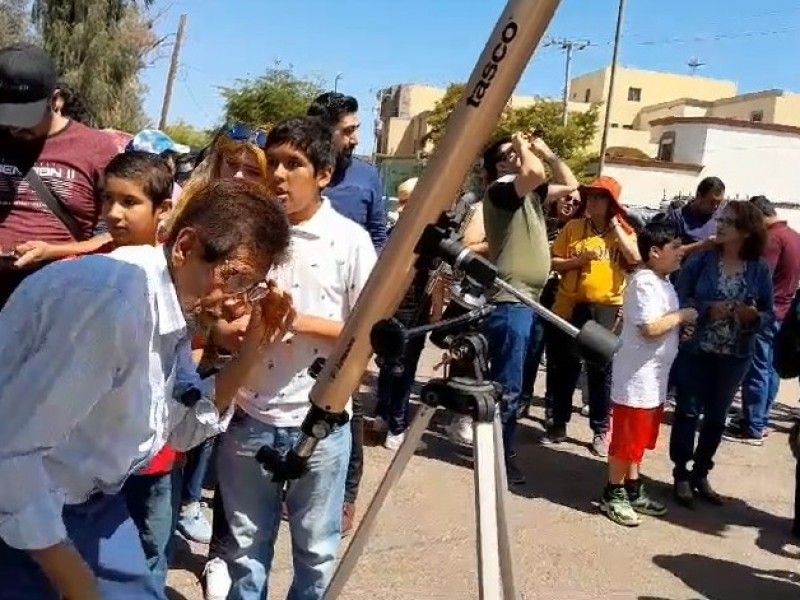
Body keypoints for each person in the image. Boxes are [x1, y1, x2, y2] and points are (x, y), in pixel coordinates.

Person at [0, 177, 294, 599]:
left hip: (91, 505)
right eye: (234, 281)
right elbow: (12, 454)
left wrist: (252, 346)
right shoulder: (113, 304)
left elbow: (176, 430)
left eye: (250, 289)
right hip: (22, 511)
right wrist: (74, 579)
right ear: (186, 247)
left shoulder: (171, 305)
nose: (236, 303)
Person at [217, 117, 376, 600]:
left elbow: (368, 332)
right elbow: (223, 323)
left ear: (323, 175)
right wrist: (239, 327)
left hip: (321, 424)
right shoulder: (250, 236)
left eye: (295, 165)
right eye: (274, 163)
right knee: (245, 552)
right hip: (249, 418)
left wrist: (295, 322)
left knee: (317, 553)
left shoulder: (349, 241)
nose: (280, 176)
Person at [91, 152, 178, 590]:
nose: (114, 213)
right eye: (108, 199)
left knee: (149, 552)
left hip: (152, 460)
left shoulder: (177, 277)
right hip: (98, 458)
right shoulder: (91, 271)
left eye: (129, 202)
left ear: (163, 210)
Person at [307, 91, 386, 534]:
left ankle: (346, 494)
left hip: (348, 310)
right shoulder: (298, 170)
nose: (357, 138)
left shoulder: (368, 177)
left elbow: (379, 235)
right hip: (299, 306)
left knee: (344, 403)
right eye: (349, 130)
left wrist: (368, 296)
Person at [670, 201, 774, 507]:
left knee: (716, 418)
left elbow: (770, 314)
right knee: (687, 413)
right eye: (721, 219)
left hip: (735, 355)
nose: (720, 224)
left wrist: (753, 317)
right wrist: (705, 310)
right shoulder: (701, 261)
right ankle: (681, 474)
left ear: (745, 231)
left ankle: (701, 473)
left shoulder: (758, 269)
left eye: (728, 221)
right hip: (696, 349)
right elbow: (679, 296)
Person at [0, 44, 119, 307]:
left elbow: (116, 234)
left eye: (25, 118)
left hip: (61, 301)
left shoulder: (97, 149)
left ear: (56, 100)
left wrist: (53, 252)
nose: (15, 129)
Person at [601, 222, 696, 526]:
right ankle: (613, 492)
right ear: (655, 252)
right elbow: (650, 329)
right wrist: (681, 316)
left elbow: (663, 325)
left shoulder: (664, 283)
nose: (681, 253)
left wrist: (680, 328)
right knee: (626, 441)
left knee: (639, 441)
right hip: (636, 380)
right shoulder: (642, 283)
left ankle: (632, 486)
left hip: (655, 380)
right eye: (675, 248)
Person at [547, 176, 640, 457]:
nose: (592, 201)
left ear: (612, 203)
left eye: (600, 197)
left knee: (601, 370)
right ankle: (558, 422)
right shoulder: (575, 228)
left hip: (607, 308)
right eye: (591, 197)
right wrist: (577, 262)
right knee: (566, 366)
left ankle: (600, 429)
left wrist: (615, 225)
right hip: (574, 305)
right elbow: (552, 260)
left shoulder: (623, 231)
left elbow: (635, 258)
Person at [479, 132, 553, 485]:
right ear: (498, 167)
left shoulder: (526, 194)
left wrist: (546, 153)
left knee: (519, 387)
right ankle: (499, 455)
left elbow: (569, 186)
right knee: (508, 386)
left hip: (530, 301)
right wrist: (523, 146)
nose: (517, 157)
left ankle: (501, 447)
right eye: (508, 154)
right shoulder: (501, 191)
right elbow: (535, 174)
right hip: (510, 302)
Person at [374, 177, 429, 449]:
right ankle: (396, 427)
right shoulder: (419, 236)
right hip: (410, 311)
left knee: (389, 366)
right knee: (403, 371)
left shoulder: (393, 233)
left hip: (393, 310)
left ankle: (383, 417)